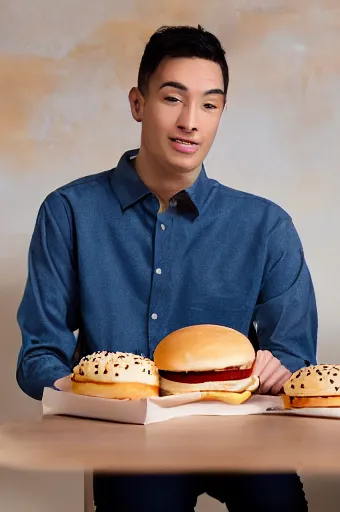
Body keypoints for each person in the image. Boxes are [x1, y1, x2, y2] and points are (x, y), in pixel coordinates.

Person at [15, 25, 317, 512]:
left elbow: (295, 351)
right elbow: (38, 358)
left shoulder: (265, 225)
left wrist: (279, 366)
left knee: (279, 502)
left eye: (209, 104)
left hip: (238, 433)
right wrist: (93, 389)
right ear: (138, 103)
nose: (190, 122)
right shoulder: (68, 212)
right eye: (173, 98)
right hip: (130, 443)